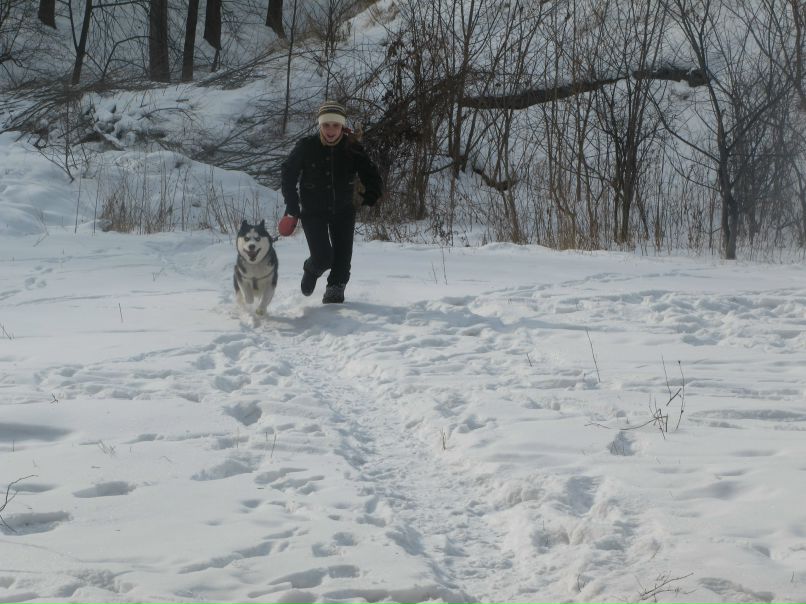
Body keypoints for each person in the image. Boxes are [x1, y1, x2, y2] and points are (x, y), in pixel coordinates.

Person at [281, 100, 383, 304]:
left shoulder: (352, 148)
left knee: (342, 259)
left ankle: (336, 289)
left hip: (343, 210)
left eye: (335, 125)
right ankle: (311, 268)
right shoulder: (306, 146)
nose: (330, 130)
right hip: (313, 211)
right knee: (323, 257)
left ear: (342, 126)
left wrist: (370, 196)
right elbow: (288, 174)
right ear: (320, 125)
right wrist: (292, 206)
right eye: (326, 124)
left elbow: (371, 175)